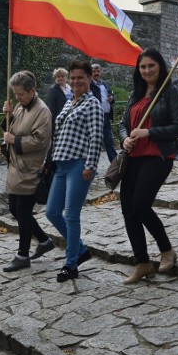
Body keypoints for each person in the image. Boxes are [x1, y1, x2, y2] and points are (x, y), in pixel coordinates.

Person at [118, 49, 178, 283]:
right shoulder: (135, 94)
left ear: (160, 67)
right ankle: (142, 263)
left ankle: (167, 250)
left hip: (158, 155)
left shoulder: (170, 92)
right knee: (127, 208)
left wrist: (149, 132)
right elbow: (123, 123)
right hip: (133, 156)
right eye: (143, 67)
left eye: (151, 66)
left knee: (140, 205)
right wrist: (125, 137)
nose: (147, 71)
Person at [45, 61, 103, 283]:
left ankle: (71, 264)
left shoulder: (93, 105)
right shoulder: (70, 102)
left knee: (71, 215)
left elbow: (96, 137)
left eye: (81, 77)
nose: (76, 81)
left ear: (89, 79)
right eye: (73, 77)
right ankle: (80, 249)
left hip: (79, 165)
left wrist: (90, 165)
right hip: (61, 165)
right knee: (51, 212)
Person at [1, 71, 55, 272]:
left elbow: (41, 141)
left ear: (32, 91)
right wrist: (8, 115)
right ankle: (43, 240)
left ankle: (22, 255)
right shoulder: (20, 106)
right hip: (16, 167)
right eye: (15, 94)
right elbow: (10, 129)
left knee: (23, 211)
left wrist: (15, 141)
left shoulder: (43, 112)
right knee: (14, 209)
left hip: (30, 168)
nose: (17, 98)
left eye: (21, 94)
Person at [90, 63, 118, 162]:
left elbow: (111, 97)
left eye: (98, 71)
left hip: (106, 117)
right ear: (91, 73)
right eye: (94, 71)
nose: (96, 73)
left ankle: (115, 165)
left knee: (109, 141)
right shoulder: (89, 85)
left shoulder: (105, 84)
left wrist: (112, 98)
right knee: (94, 143)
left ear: (101, 72)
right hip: (95, 118)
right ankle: (91, 166)